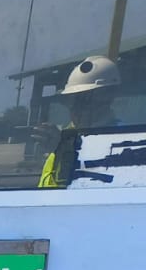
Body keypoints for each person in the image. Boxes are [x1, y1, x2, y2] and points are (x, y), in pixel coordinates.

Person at [39, 54, 120, 187]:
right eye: (71, 99)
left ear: (108, 98)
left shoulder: (119, 142)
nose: (75, 107)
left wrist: (63, 151)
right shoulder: (63, 139)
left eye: (84, 99)